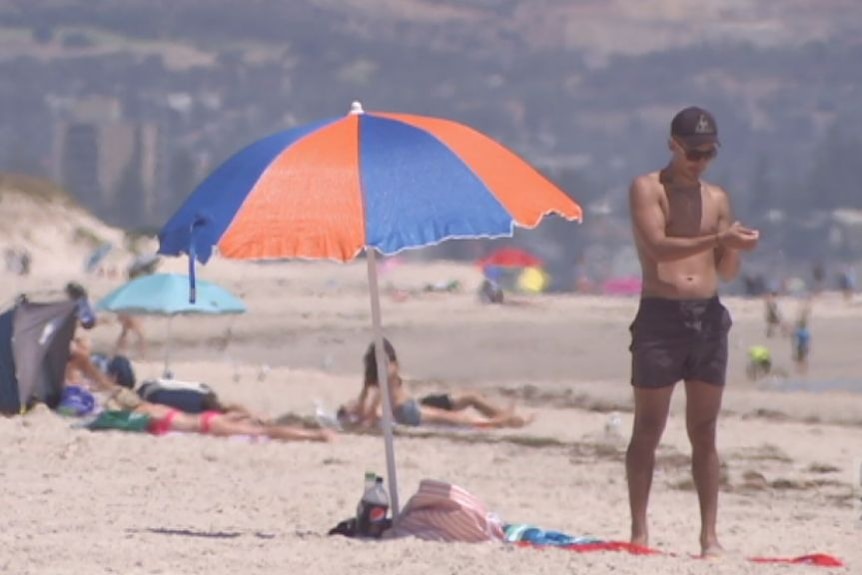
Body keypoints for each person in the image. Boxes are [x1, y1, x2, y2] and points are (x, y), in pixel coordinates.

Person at [625, 106, 759, 557]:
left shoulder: (717, 198)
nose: (700, 162)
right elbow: (658, 247)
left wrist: (736, 246)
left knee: (704, 430)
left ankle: (709, 536)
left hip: (707, 315)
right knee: (648, 427)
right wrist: (720, 240)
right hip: (661, 315)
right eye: (693, 153)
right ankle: (640, 530)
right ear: (673, 146)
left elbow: (726, 271)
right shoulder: (648, 189)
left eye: (709, 154)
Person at [65, 341, 333, 442]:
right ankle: (311, 432)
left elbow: (109, 391)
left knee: (261, 430)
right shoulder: (146, 407)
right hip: (196, 421)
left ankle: (316, 435)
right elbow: (109, 391)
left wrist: (83, 365)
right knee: (259, 426)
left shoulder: (140, 408)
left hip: (201, 424)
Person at [341, 338, 533, 430]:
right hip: (407, 410)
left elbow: (367, 404)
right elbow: (374, 406)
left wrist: (363, 414)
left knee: (467, 400)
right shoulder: (385, 375)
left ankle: (508, 420)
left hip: (414, 405)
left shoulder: (377, 378)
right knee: (454, 418)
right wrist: (368, 416)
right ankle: (499, 422)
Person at [791, 298, 812, 375]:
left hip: (800, 346)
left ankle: (800, 370)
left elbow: (793, 336)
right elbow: (809, 340)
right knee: (804, 358)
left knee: (800, 359)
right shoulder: (807, 331)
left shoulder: (800, 331)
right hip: (805, 346)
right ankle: (805, 370)